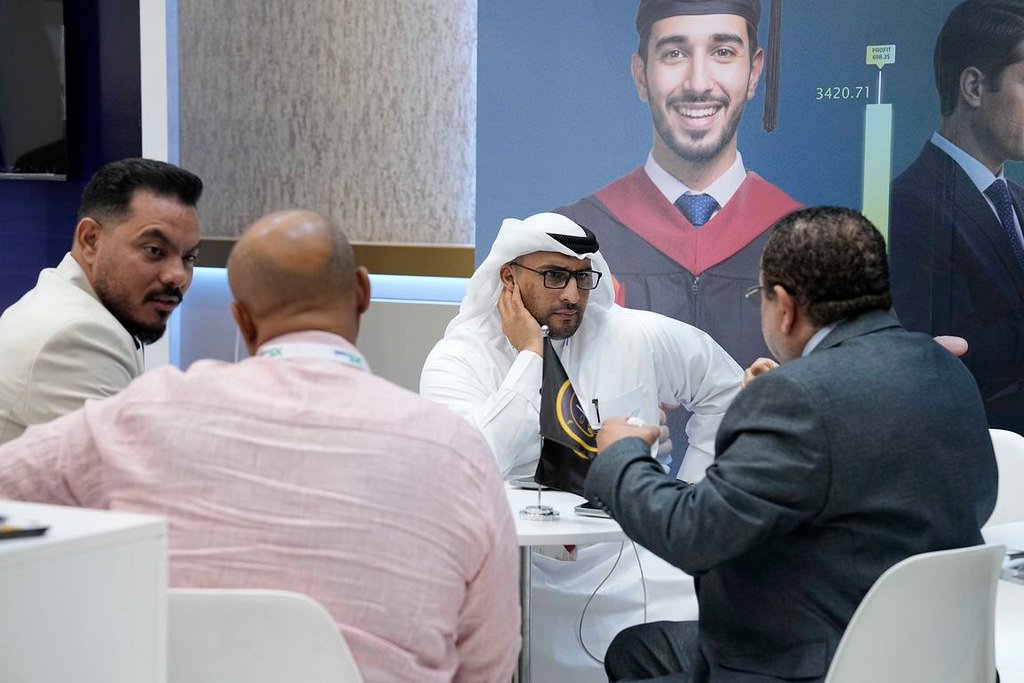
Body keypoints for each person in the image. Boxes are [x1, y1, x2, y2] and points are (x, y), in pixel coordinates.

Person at [0, 210, 520, 683]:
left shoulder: (135, 416)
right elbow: (488, 667)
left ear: (242, 321)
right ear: (362, 292)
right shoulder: (456, 452)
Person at [586, 206, 997, 682]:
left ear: (784, 305)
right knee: (639, 649)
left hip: (819, 662)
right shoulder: (945, 368)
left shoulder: (795, 397)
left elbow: (695, 536)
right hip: (934, 657)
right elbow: (971, 499)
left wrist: (621, 454)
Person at [420, 211, 742, 681]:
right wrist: (530, 358)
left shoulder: (632, 335)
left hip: (632, 558)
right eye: (554, 276)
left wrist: (692, 493)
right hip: (523, 573)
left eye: (582, 277)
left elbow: (729, 393)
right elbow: (469, 467)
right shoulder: (459, 359)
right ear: (509, 278)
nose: (572, 294)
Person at [556, 0, 799, 372]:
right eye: (674, 53)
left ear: (754, 73)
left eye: (723, 52)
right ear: (641, 75)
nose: (698, 84)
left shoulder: (809, 245)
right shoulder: (572, 238)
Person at [889, 0, 1024, 435]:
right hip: (980, 453)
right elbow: (956, 356)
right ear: (973, 87)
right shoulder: (910, 204)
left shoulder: (1017, 200)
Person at [0, 158, 203, 443]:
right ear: (91, 239)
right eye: (154, 250)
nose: (177, 276)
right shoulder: (75, 335)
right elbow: (130, 468)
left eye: (188, 258)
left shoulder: (71, 303)